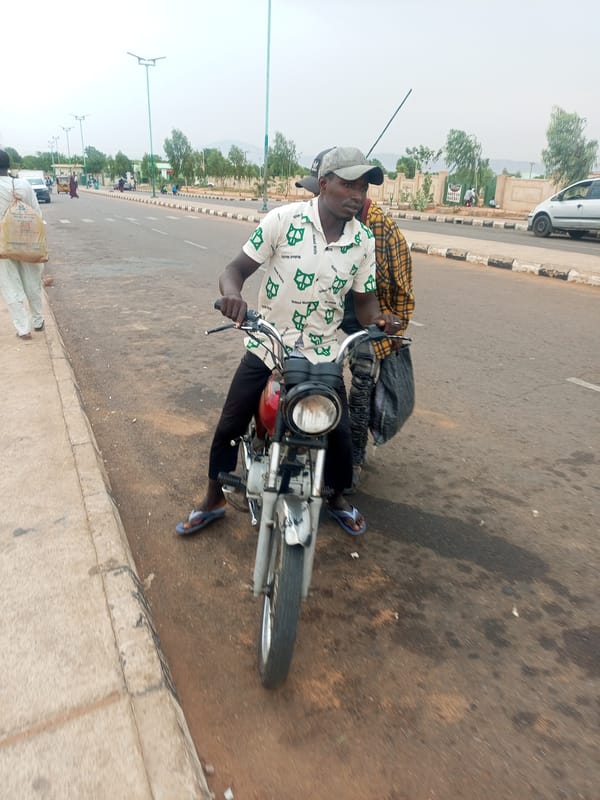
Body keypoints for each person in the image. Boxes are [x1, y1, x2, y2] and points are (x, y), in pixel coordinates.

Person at [176, 146, 402, 537]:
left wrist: (378, 321)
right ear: (324, 183)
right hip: (270, 344)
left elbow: (365, 303)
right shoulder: (282, 220)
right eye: (348, 184)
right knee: (231, 421)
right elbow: (235, 269)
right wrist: (233, 296)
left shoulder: (364, 240)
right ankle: (213, 495)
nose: (357, 195)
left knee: (340, 431)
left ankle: (335, 497)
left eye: (363, 187)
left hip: (323, 353)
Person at [296, 149, 415, 492]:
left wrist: (384, 329)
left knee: (362, 374)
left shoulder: (376, 229)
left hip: (370, 312)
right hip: (328, 306)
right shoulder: (312, 219)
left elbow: (397, 292)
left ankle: (353, 457)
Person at [0, 149, 45, 339]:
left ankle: (23, 330)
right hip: (27, 241)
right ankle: (38, 321)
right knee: (32, 281)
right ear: (8, 165)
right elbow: (37, 214)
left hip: (3, 246)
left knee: (11, 285)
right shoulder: (24, 185)